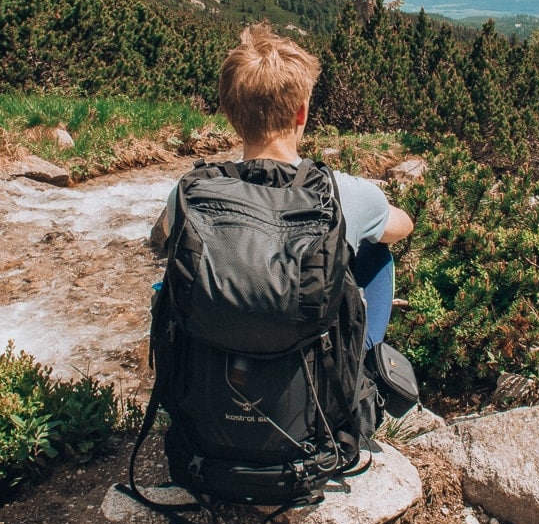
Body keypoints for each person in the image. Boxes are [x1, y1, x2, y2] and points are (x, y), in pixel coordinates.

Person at [167, 23, 413, 348]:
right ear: (301, 114)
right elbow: (403, 226)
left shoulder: (187, 195)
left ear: (229, 114)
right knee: (376, 252)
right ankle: (361, 365)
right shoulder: (341, 194)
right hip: (309, 391)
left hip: (209, 388)